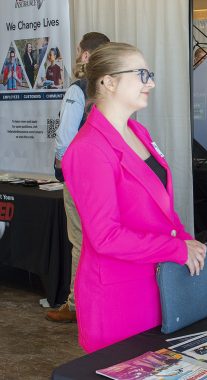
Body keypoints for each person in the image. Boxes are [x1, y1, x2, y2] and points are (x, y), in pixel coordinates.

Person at [62, 42, 207, 352]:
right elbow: (106, 236)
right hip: (118, 299)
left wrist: (184, 240)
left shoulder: (138, 132)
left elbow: (161, 204)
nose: (150, 83)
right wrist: (175, 248)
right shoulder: (89, 149)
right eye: (141, 74)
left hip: (157, 284)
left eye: (150, 74)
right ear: (108, 82)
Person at [45, 32, 110, 324]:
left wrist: (62, 166)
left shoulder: (78, 90)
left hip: (81, 177)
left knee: (81, 242)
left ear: (85, 55)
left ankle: (76, 304)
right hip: (107, 176)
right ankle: (103, 299)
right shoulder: (111, 87)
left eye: (78, 50)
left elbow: (64, 138)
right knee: (102, 239)